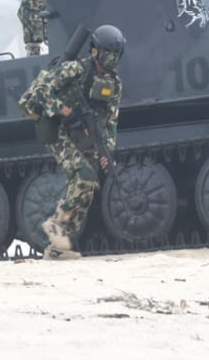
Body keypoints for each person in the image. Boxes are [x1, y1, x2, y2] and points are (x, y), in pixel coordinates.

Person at [18, 25, 125, 259]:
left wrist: (107, 153)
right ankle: (56, 223)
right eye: (109, 53)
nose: (113, 59)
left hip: (83, 131)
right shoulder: (75, 70)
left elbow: (110, 121)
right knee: (83, 174)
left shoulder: (114, 84)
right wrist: (65, 111)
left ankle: (58, 248)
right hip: (58, 128)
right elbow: (41, 91)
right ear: (95, 51)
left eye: (117, 54)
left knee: (88, 186)